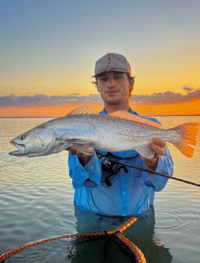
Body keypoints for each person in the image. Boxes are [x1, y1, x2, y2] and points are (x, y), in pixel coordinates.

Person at [67, 53, 174, 218]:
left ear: (131, 82)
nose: (110, 84)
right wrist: (85, 158)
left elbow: (160, 183)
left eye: (117, 77)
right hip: (91, 219)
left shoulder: (150, 126)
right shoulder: (84, 126)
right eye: (103, 79)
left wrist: (153, 162)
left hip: (138, 219)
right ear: (97, 85)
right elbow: (80, 181)